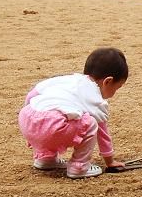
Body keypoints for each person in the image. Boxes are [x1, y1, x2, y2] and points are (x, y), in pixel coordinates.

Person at [18, 47, 128, 179]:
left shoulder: (67, 80)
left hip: (27, 119)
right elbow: (102, 132)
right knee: (91, 123)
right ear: (107, 81)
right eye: (117, 88)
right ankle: (79, 167)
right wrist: (110, 161)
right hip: (51, 127)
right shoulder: (95, 99)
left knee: (60, 113)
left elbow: (33, 93)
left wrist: (32, 122)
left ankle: (46, 158)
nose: (114, 93)